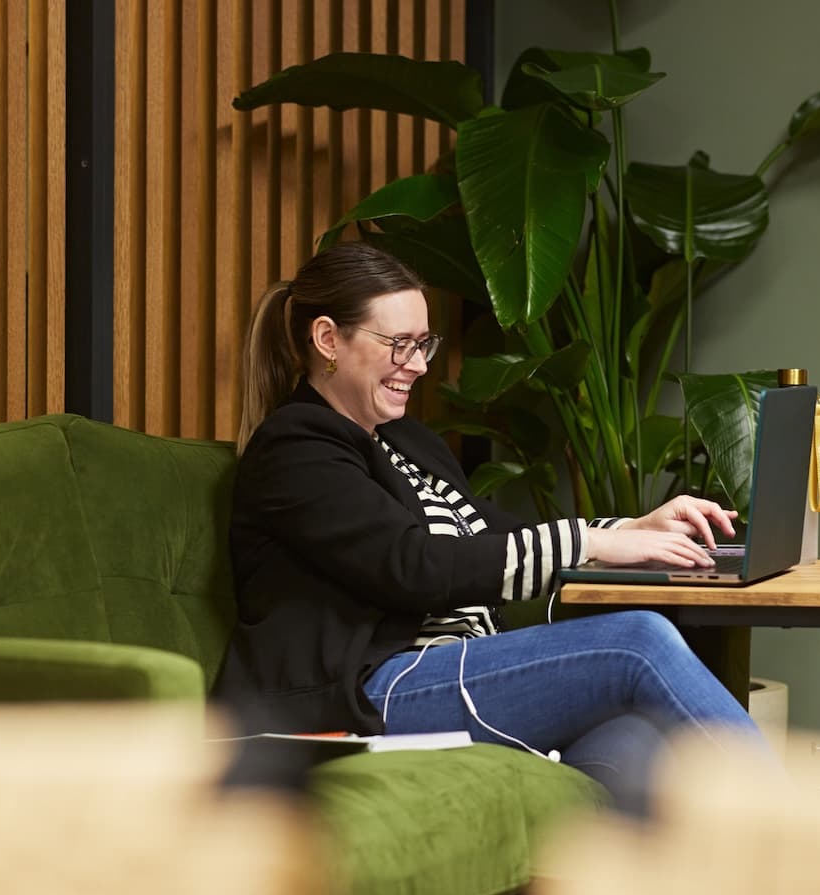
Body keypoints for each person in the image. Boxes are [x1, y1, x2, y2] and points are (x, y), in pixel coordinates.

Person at [214, 242, 766, 793]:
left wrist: (630, 529)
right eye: (399, 344)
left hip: (449, 670)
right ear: (329, 339)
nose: (420, 364)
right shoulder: (296, 446)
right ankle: (808, 841)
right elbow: (415, 567)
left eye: (424, 343)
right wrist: (587, 543)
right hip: (366, 692)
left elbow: (489, 532)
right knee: (637, 642)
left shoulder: (406, 441)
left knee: (630, 738)